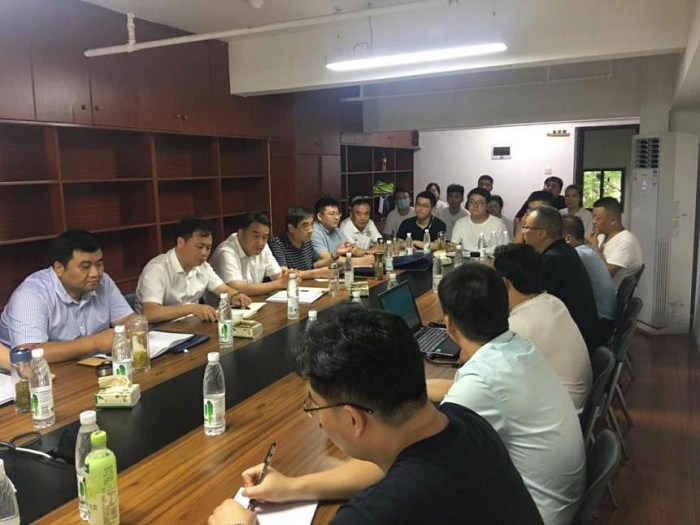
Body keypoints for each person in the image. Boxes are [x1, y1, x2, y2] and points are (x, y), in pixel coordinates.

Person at [207, 307, 542, 525]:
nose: (319, 421)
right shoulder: (464, 422)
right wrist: (294, 487)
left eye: (315, 407)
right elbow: (385, 470)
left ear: (353, 419)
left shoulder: (376, 515)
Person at [427, 264, 585, 525]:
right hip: (556, 502)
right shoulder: (517, 346)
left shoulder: (482, 382)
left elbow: (425, 457)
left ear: (448, 323)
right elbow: (463, 389)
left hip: (535, 514)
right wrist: (413, 389)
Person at [0, 230, 134, 363]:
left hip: (86, 365)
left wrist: (137, 325)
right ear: (59, 268)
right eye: (85, 266)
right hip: (34, 372)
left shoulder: (103, 282)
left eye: (99, 264)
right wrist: (94, 343)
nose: (95, 273)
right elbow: (28, 354)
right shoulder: (31, 295)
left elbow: (127, 319)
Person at [493, 244, 592, 412]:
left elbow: (474, 359)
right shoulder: (552, 301)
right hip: (570, 404)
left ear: (504, 283)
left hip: (555, 412)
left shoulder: (520, 324)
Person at [135, 219, 251, 324]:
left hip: (189, 326)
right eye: (199, 247)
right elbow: (150, 313)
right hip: (158, 331)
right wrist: (192, 308)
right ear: (180, 242)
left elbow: (223, 289)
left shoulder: (203, 266)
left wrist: (235, 296)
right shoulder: (157, 269)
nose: (204, 253)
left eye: (208, 248)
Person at [522, 206, 600, 351]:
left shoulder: (552, 260)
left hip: (574, 341)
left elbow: (530, 298)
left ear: (541, 233)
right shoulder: (565, 250)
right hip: (580, 331)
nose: (523, 232)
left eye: (526, 227)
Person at [210, 212, 295, 297]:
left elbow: (280, 277)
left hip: (253, 301)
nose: (260, 243)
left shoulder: (263, 247)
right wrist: (279, 284)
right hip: (223, 305)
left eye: (265, 237)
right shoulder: (226, 251)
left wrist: (289, 277)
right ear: (241, 234)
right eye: (256, 236)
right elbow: (238, 289)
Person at [562, 214, 617, 341]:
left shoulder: (579, 255)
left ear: (567, 238)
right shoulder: (587, 250)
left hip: (599, 323)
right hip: (605, 318)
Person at [587, 197, 643, 291]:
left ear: (612, 220)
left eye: (597, 218)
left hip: (607, 294)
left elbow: (606, 275)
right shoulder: (600, 237)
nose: (593, 222)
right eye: (593, 217)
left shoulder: (626, 240)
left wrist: (595, 247)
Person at [269, 207, 332, 279]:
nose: (311, 230)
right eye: (305, 226)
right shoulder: (277, 243)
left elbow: (316, 264)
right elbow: (284, 275)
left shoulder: (306, 240)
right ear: (291, 228)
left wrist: (335, 255)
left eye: (311, 224)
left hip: (308, 284)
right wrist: (317, 273)